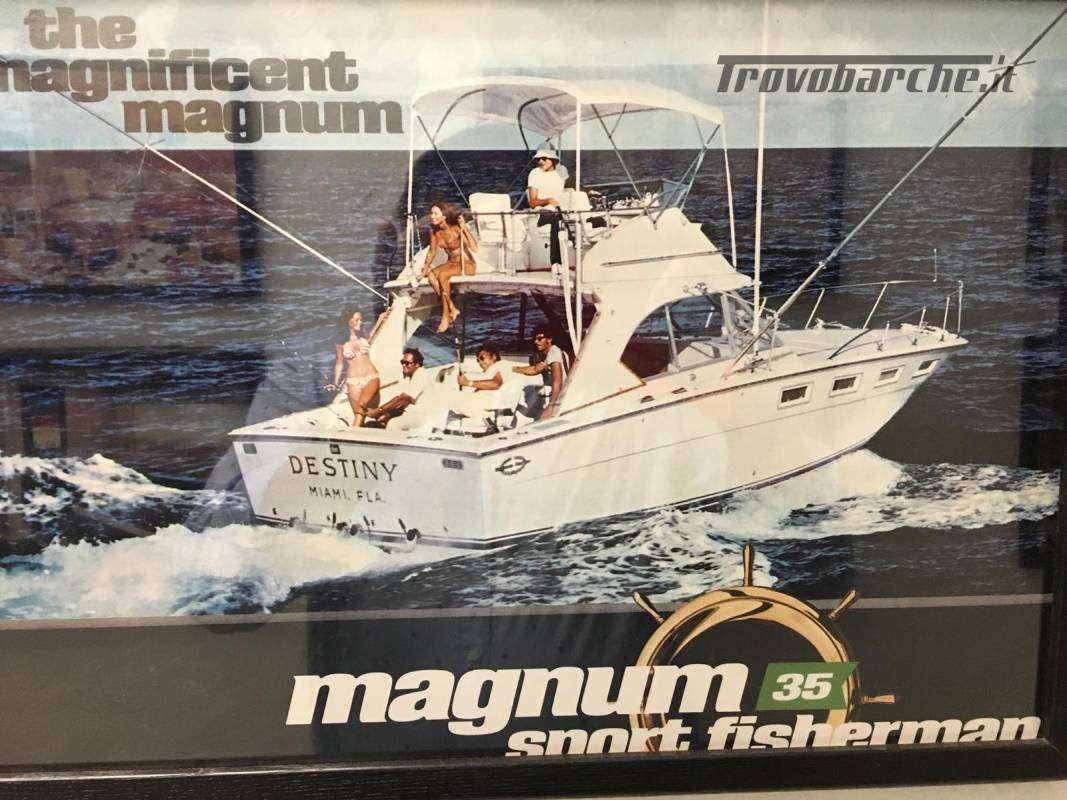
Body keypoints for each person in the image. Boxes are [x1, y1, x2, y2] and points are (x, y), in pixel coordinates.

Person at [420, 201, 478, 333]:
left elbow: (474, 248)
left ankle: (445, 316)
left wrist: (464, 227)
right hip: (452, 263)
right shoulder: (434, 231)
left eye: (435, 213)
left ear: (444, 216)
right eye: (431, 213)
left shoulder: (456, 228)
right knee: (431, 276)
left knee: (443, 275)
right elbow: (431, 252)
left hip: (467, 265)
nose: (432, 216)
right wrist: (424, 271)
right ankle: (452, 307)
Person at [324, 306, 384, 427]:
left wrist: (380, 320)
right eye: (357, 320)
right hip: (353, 381)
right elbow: (339, 362)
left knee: (360, 409)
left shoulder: (363, 334)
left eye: (361, 320)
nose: (360, 322)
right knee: (359, 414)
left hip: (371, 376)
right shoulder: (340, 341)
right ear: (348, 321)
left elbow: (373, 336)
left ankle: (352, 433)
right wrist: (335, 383)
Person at [365, 348, 430, 427]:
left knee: (393, 424)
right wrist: (386, 414)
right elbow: (401, 403)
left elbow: (402, 399)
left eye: (407, 363)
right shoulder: (407, 377)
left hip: (422, 415)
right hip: (408, 413)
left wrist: (378, 411)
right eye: (402, 362)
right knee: (371, 424)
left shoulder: (421, 374)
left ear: (417, 365)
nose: (403, 365)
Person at [512, 327, 568, 420]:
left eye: (539, 339)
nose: (536, 342)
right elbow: (535, 369)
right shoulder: (554, 352)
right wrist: (513, 369)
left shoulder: (554, 354)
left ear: (549, 339)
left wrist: (551, 406)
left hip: (561, 399)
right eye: (535, 339)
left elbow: (557, 381)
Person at [527, 144, 567, 267]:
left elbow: (571, 186)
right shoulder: (535, 173)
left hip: (561, 211)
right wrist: (548, 200)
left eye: (544, 158)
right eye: (538, 159)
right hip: (542, 213)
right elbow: (532, 202)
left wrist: (589, 192)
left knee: (596, 220)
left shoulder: (561, 172)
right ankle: (556, 262)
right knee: (557, 220)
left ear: (553, 160)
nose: (540, 161)